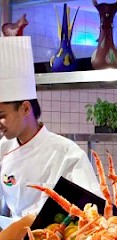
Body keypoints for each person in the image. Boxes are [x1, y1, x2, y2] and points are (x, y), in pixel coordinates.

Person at [0, 36, 101, 225]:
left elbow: (92, 212)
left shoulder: (69, 154)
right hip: (11, 237)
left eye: (1, 115)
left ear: (25, 108)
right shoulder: (3, 148)